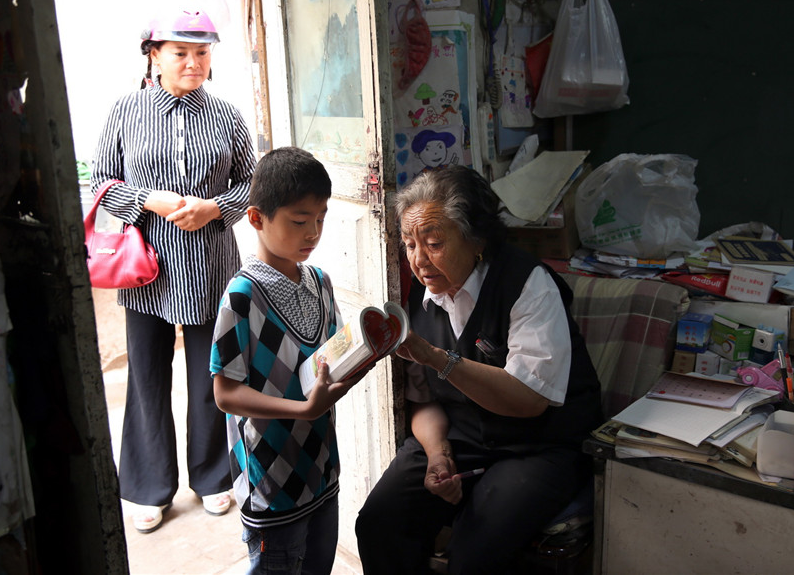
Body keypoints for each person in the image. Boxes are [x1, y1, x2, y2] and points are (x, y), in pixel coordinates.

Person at [355, 166, 604, 574]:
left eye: (433, 243)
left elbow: (530, 402)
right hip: (464, 434)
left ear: (477, 241)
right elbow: (423, 403)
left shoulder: (527, 285)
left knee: (473, 554)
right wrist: (438, 455)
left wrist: (437, 357)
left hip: (538, 444)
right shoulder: (424, 294)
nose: (418, 260)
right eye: (409, 243)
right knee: (380, 523)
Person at [89, 4, 255, 533]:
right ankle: (148, 487)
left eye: (201, 53)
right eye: (180, 52)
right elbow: (99, 185)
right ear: (153, 57)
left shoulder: (227, 116)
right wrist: (148, 201)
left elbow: (252, 183)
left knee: (212, 375)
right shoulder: (123, 112)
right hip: (146, 272)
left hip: (211, 266)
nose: (192, 62)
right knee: (145, 377)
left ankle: (212, 477)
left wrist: (216, 209)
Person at [210, 147, 367, 574]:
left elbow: (328, 359)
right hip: (270, 482)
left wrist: (365, 353)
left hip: (320, 469)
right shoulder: (242, 297)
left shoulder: (319, 282)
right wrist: (303, 408)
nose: (313, 232)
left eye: (321, 218)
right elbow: (225, 394)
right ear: (257, 218)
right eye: (300, 221)